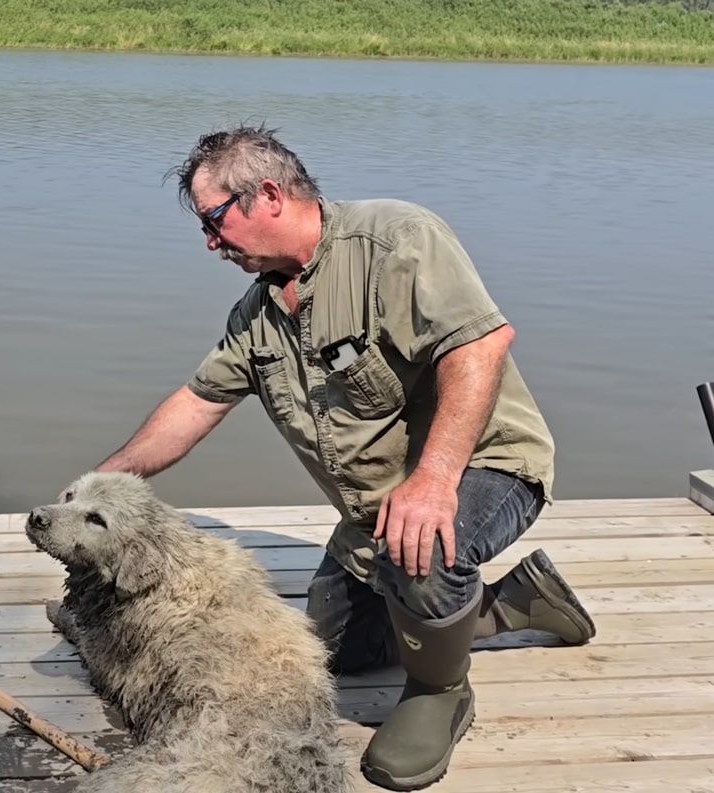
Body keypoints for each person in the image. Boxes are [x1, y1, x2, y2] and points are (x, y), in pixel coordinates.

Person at [90, 124, 595, 791]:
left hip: (483, 465)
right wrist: (101, 485)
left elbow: (481, 346)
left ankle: (440, 692)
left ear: (267, 194)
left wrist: (434, 480)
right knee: (332, 650)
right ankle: (516, 604)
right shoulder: (259, 311)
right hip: (374, 513)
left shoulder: (397, 239)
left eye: (213, 221)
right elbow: (197, 403)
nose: (209, 243)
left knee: (423, 551)